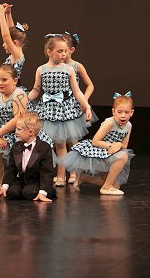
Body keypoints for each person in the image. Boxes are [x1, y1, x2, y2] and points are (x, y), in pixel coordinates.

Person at [28, 34, 92, 187]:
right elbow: (36, 90)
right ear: (49, 52)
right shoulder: (41, 69)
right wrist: (24, 99)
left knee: (61, 144)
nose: (63, 54)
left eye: (65, 51)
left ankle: (61, 175)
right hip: (46, 110)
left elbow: (77, 91)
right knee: (43, 143)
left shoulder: (68, 69)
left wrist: (86, 106)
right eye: (59, 51)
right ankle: (43, 174)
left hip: (62, 110)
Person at [61, 93, 134, 195]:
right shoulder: (110, 122)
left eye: (126, 112)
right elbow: (95, 141)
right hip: (99, 150)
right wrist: (111, 146)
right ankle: (106, 187)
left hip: (111, 152)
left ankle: (85, 178)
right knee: (123, 156)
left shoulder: (129, 125)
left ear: (131, 113)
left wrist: (119, 145)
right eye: (119, 112)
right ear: (113, 111)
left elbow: (124, 145)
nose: (123, 115)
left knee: (116, 186)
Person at [62, 30, 96, 183]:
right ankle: (61, 173)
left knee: (73, 141)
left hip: (73, 107)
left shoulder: (76, 66)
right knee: (60, 141)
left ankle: (74, 173)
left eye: (64, 49)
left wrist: (84, 101)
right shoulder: (56, 66)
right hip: (59, 108)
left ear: (71, 50)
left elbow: (90, 85)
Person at [0, 112, 56, 202]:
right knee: (12, 193)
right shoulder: (16, 146)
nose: (16, 132)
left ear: (30, 132)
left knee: (30, 193)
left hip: (37, 181)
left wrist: (43, 192)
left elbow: (46, 172)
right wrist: (4, 186)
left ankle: (43, 191)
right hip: (22, 180)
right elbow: (11, 169)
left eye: (19, 129)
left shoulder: (44, 147)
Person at [0, 3, 29, 87]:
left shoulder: (17, 55)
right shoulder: (15, 53)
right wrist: (8, 14)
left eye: (5, 42)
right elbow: (11, 31)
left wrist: (1, 15)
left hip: (13, 90)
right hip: (8, 88)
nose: (3, 45)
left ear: (14, 43)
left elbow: (6, 36)